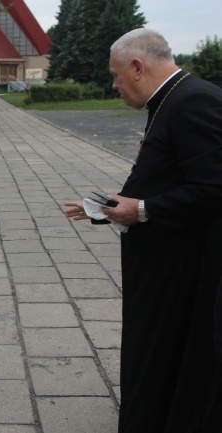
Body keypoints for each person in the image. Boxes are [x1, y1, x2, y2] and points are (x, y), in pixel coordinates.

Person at [63, 28, 222, 432]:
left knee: (172, 353)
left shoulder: (194, 100)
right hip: (169, 260)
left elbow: (214, 186)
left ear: (137, 66)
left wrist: (145, 208)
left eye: (117, 75)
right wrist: (115, 203)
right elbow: (175, 174)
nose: (114, 85)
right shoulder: (171, 99)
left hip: (188, 267)